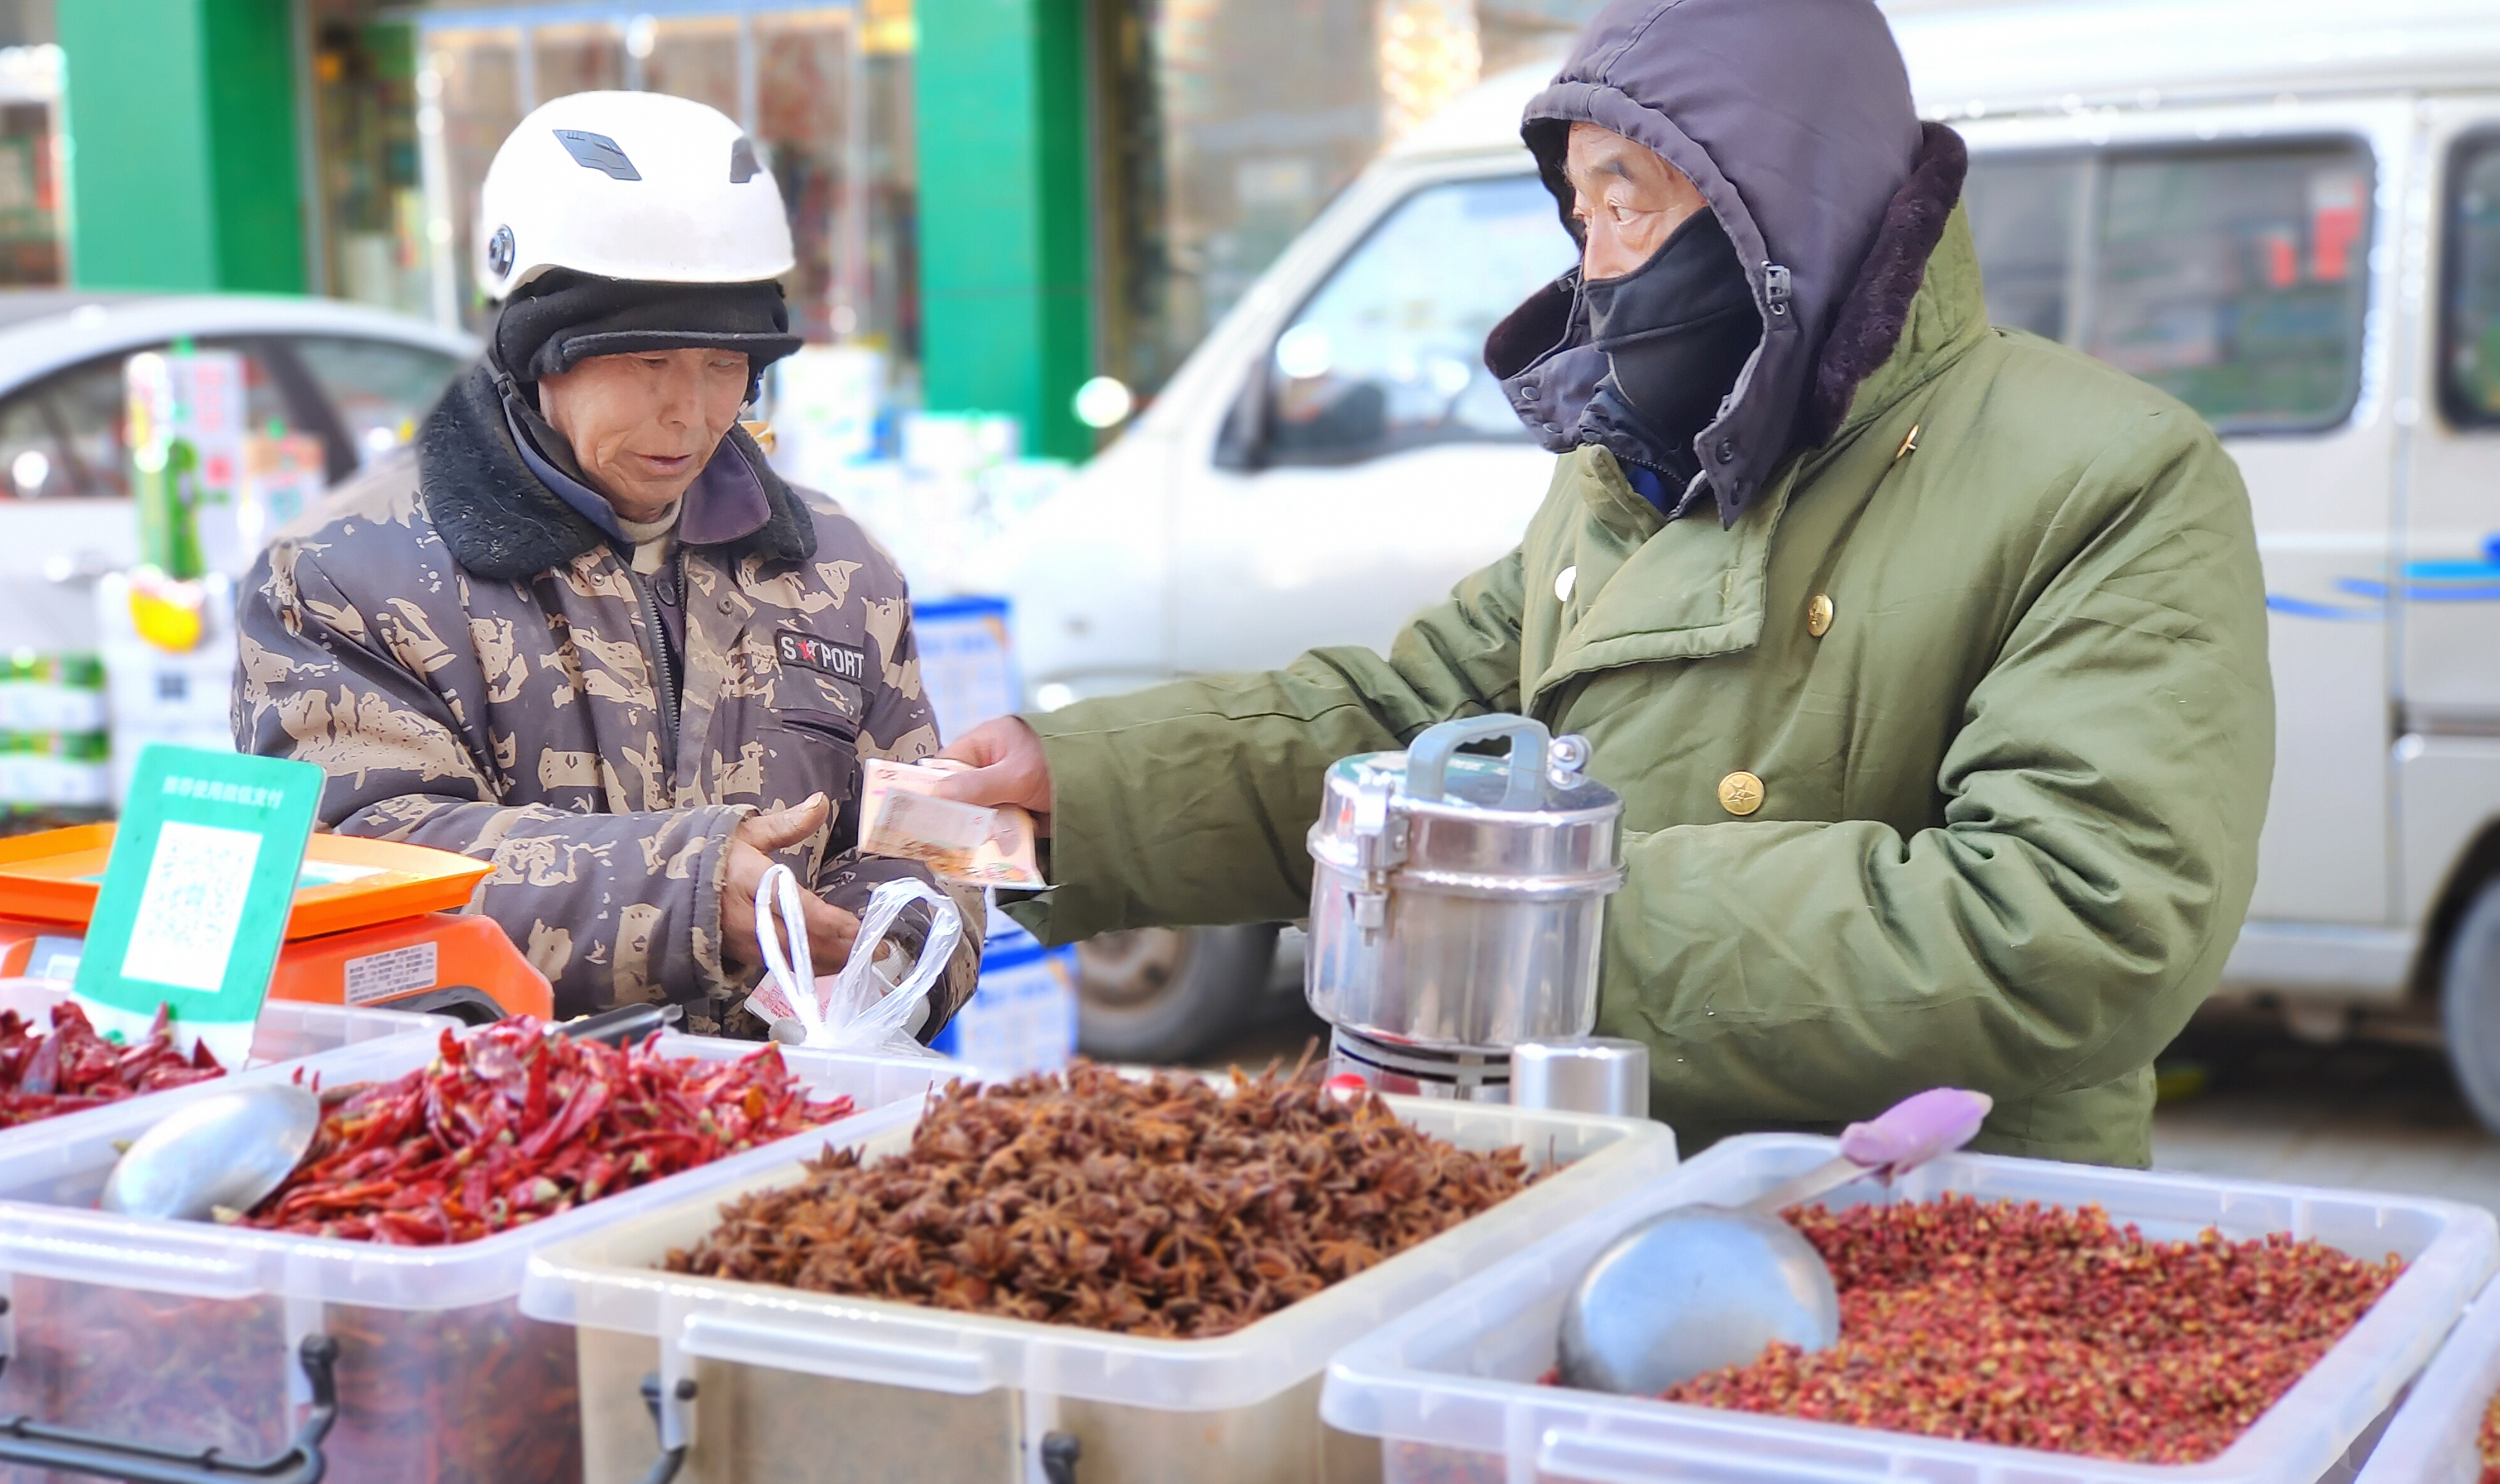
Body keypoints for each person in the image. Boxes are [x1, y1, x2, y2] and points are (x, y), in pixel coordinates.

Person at [938, 0, 2274, 1165]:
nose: (1597, 266)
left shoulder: (2110, 475)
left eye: (1628, 200)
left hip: (1926, 1230)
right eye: (1581, 213)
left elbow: (2080, 922)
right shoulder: (1631, 475)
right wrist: (1071, 799)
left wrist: (1539, 937)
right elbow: (1418, 723)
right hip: (1594, 1187)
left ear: (1777, 198)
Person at [235, 92, 978, 1034]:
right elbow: (357, 862)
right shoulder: (345, 574)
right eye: (649, 362)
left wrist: (884, 970)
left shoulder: (840, 571)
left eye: (727, 366)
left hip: (793, 1129)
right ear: (538, 353)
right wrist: (691, 891)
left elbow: (930, 844)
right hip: (496, 1142)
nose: (692, 412)